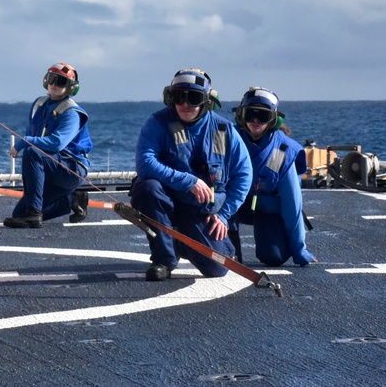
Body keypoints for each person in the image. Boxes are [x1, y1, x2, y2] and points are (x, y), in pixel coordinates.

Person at [131, 69, 252, 281]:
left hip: (201, 209)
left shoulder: (223, 130)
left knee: (217, 269)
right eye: (179, 97)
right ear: (170, 98)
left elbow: (243, 175)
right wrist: (188, 181)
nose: (186, 104)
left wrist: (224, 215)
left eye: (193, 98)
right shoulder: (157, 123)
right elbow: (145, 164)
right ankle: (164, 260)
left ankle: (182, 243)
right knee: (147, 188)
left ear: (206, 101)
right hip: (167, 202)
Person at [231, 87, 316, 267]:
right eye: (250, 114)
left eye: (262, 116)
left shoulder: (283, 152)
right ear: (240, 115)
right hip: (232, 207)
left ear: (273, 120)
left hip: (266, 209)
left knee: (273, 257)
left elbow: (292, 204)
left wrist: (299, 249)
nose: (255, 120)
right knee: (223, 256)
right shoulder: (228, 139)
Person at [3, 62, 93, 228]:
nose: (54, 84)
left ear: (71, 87)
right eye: (51, 78)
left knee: (32, 152)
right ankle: (72, 200)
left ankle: (34, 214)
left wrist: (24, 142)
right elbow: (34, 132)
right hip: (48, 165)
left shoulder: (72, 113)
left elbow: (57, 143)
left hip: (71, 168)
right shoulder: (39, 104)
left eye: (60, 81)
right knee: (18, 215)